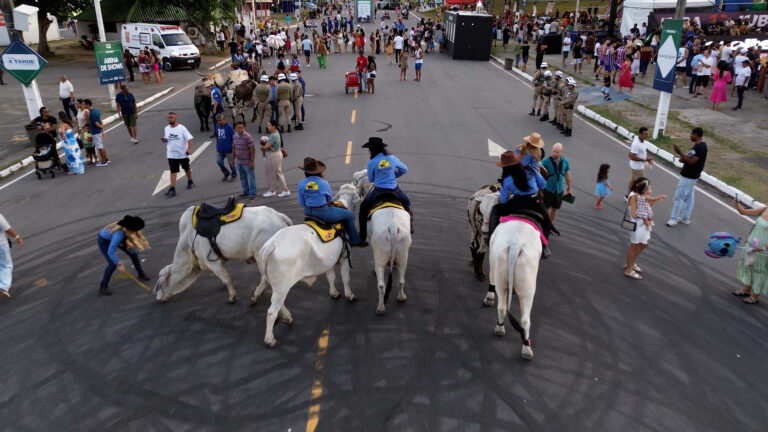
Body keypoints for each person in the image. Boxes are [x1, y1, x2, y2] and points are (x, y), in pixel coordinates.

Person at [490, 150, 552, 259]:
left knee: (495, 209)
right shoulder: (532, 171)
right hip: (535, 202)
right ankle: (544, 247)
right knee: (547, 223)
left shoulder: (507, 180)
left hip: (517, 203)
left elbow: (503, 200)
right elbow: (543, 185)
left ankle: (490, 238)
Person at [358, 137, 413, 244]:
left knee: (363, 208)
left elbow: (371, 179)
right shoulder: (391, 158)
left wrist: (380, 177)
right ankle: (410, 226)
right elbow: (404, 169)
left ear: (372, 150)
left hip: (378, 191)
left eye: (369, 148)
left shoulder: (372, 162)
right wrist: (393, 174)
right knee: (407, 203)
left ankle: (362, 238)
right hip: (394, 191)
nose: (368, 150)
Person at [298, 157, 363, 246]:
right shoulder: (323, 183)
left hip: (308, 212)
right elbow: (329, 199)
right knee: (349, 215)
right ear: (318, 171)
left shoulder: (301, 183)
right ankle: (355, 241)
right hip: (323, 212)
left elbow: (301, 202)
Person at [624, 178, 667, 280]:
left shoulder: (641, 196)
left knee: (644, 244)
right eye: (647, 185)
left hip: (643, 226)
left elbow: (648, 205)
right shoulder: (634, 196)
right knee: (634, 246)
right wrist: (644, 215)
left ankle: (631, 262)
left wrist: (653, 202)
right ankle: (629, 269)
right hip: (637, 226)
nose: (649, 187)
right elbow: (634, 214)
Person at [97, 215, 150, 296]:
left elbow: (126, 235)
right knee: (112, 264)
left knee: (133, 253)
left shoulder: (126, 228)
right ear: (129, 229)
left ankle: (141, 274)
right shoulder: (118, 235)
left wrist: (127, 241)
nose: (135, 232)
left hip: (117, 237)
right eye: (134, 231)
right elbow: (110, 252)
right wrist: (119, 263)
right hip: (104, 241)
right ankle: (103, 285)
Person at [666, 128, 708, 227]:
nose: (690, 136)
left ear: (696, 134)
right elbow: (686, 159)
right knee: (689, 198)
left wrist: (679, 151)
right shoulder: (698, 146)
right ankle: (685, 217)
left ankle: (674, 219)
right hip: (692, 176)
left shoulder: (700, 147)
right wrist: (683, 157)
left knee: (679, 197)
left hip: (689, 176)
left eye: (691, 134)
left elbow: (691, 161)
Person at [731, 199, 768, 305]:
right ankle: (746, 290)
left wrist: (763, 248)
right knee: (749, 268)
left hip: (763, 252)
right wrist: (737, 204)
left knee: (759, 273)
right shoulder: (764, 209)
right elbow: (743, 212)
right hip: (751, 246)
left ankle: (755, 296)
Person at [161, 112, 195, 197]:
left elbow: (189, 139)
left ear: (175, 118)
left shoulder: (182, 128)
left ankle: (190, 181)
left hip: (182, 153)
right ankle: (172, 188)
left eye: (171, 117)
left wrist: (189, 149)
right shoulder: (166, 128)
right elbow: (167, 138)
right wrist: (165, 140)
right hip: (171, 154)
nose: (169, 119)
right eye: (168, 118)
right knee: (173, 171)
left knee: (186, 168)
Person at [540, 143, 572, 223]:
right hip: (548, 190)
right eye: (553, 151)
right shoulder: (546, 161)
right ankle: (544, 226)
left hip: (559, 190)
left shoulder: (565, 161)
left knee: (554, 209)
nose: (555, 153)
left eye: (557, 152)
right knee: (546, 209)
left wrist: (569, 188)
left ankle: (550, 226)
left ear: (561, 152)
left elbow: (567, 174)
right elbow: (538, 167)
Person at [260, 120, 291, 198]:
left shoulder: (273, 135)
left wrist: (263, 146)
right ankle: (273, 190)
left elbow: (265, 146)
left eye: (269, 125)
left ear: (274, 126)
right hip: (274, 155)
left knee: (276, 173)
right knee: (274, 173)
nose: (268, 127)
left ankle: (283, 190)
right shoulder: (274, 133)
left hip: (273, 156)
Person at [232, 121, 257, 200]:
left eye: (241, 128)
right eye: (238, 128)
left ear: (244, 128)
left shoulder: (248, 137)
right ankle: (246, 192)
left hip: (247, 162)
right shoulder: (234, 136)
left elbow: (252, 150)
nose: (239, 129)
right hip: (239, 162)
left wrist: (252, 162)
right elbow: (234, 147)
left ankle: (253, 194)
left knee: (251, 177)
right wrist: (233, 159)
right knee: (243, 178)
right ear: (235, 128)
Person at [0, 213, 23, 299]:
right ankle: (3, 287)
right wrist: (17, 237)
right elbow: (7, 228)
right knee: (6, 265)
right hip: (1, 244)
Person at [627, 127, 652, 196]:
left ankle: (628, 195)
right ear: (640, 134)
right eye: (645, 134)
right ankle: (639, 197)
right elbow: (632, 156)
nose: (647, 136)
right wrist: (644, 159)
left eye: (647, 134)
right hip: (637, 167)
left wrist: (647, 159)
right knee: (643, 183)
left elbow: (642, 153)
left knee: (633, 180)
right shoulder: (636, 144)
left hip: (639, 165)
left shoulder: (643, 142)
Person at [85, 100, 109, 166]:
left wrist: (100, 126)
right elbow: (100, 119)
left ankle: (103, 161)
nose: (84, 106)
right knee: (101, 146)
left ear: (88, 104)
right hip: (99, 131)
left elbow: (96, 123)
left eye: (85, 104)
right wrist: (102, 127)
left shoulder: (91, 113)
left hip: (95, 132)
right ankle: (106, 159)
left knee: (100, 147)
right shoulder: (96, 110)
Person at [214, 114, 237, 182]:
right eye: (218, 121)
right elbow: (217, 136)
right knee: (218, 161)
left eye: (220, 120)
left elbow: (234, 138)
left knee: (231, 163)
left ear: (224, 119)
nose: (219, 122)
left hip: (229, 149)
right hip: (220, 148)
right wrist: (217, 143)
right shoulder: (217, 126)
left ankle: (234, 175)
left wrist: (234, 148)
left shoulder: (229, 127)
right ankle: (226, 173)